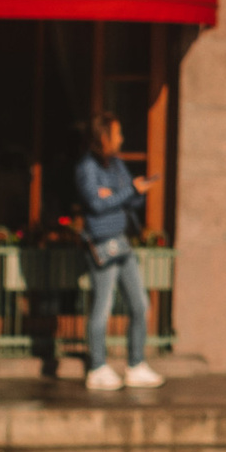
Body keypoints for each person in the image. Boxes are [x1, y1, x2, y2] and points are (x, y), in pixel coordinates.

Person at [76, 114, 162, 394]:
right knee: (102, 307)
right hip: (102, 243)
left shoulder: (116, 165)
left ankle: (136, 364)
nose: (121, 139)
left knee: (140, 305)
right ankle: (97, 367)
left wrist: (131, 191)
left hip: (122, 242)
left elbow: (125, 198)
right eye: (117, 134)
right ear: (103, 137)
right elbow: (96, 205)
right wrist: (123, 192)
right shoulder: (87, 168)